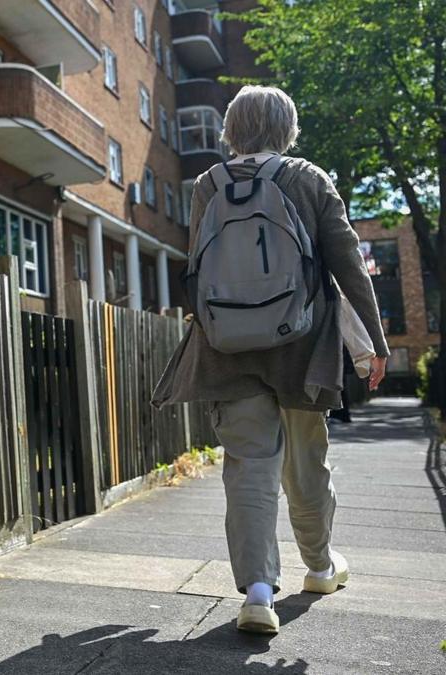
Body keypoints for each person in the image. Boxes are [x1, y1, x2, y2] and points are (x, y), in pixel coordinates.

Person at [152, 86, 388, 634]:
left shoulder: (207, 185)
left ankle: (258, 593)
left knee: (248, 469)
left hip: (227, 350)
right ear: (288, 128)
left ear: (231, 130)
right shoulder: (307, 178)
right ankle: (321, 566)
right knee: (306, 464)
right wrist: (374, 341)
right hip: (301, 349)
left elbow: (200, 268)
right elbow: (348, 265)